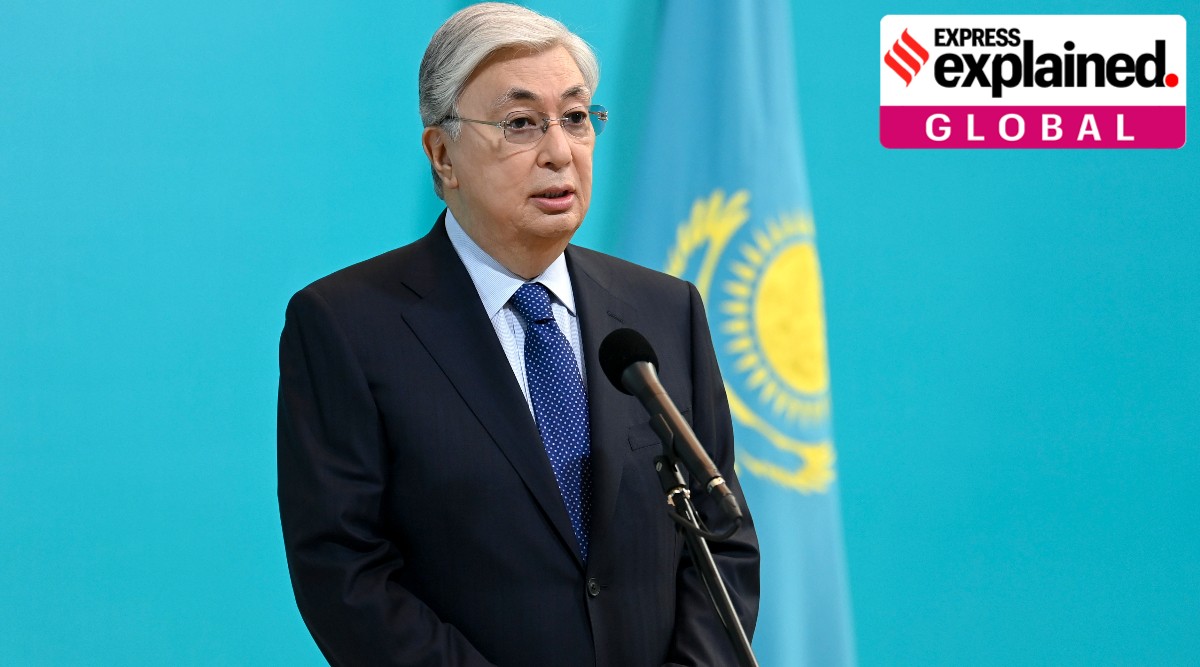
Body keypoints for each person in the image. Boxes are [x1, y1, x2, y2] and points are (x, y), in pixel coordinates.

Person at [277, 4, 759, 665]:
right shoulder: (347, 325)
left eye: (576, 117)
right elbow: (345, 572)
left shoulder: (663, 311)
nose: (559, 152)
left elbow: (722, 538)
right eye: (521, 124)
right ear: (442, 154)